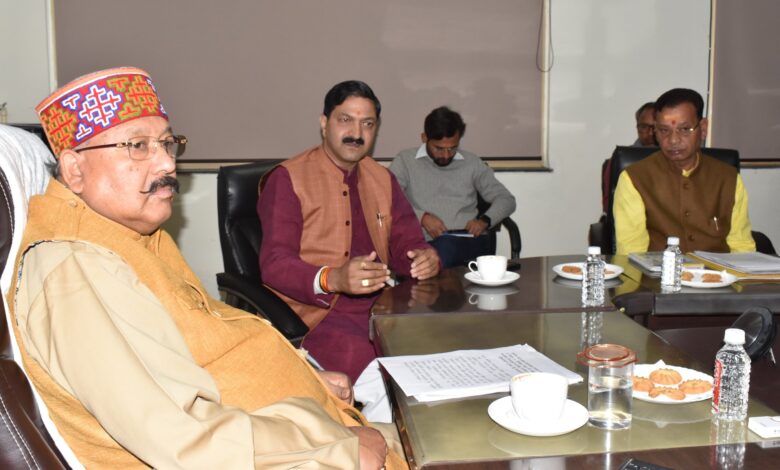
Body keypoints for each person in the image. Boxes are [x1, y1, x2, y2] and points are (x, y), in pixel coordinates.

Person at [7, 67, 405, 469]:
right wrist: (336, 447)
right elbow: (182, 438)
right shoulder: (77, 271)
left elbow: (199, 346)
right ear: (74, 170)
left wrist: (305, 379)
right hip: (278, 453)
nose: (167, 163)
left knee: (423, 433)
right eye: (138, 146)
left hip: (281, 422)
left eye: (167, 143)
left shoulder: (133, 234)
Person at [258, 80, 439, 383]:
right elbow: (275, 265)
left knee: (434, 353)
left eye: (367, 124)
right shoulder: (287, 179)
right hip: (315, 316)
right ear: (324, 123)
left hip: (381, 306)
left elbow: (407, 243)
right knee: (383, 374)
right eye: (345, 120)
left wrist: (425, 257)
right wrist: (335, 278)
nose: (356, 133)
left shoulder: (383, 179)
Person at [613, 88, 756, 254]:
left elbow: (741, 246)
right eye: (664, 130)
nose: (673, 140)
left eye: (684, 129)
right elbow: (631, 253)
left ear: (703, 128)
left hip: (717, 270)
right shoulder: (634, 179)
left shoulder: (728, 179)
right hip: (659, 270)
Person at [389, 106, 516, 267]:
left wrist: (485, 220)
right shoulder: (405, 161)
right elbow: (388, 198)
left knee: (443, 249)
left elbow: (506, 199)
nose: (446, 155)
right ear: (424, 138)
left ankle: (430, 267)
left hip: (466, 242)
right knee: (417, 254)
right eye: (439, 148)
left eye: (452, 148)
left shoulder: (471, 163)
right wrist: (422, 217)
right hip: (420, 242)